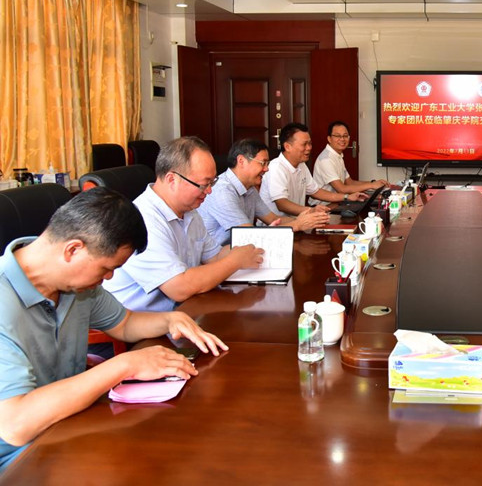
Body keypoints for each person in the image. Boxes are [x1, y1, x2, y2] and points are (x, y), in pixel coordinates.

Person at [0, 188, 227, 470]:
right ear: (73, 249)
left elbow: (125, 323)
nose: (108, 278)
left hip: (69, 424)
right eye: (106, 268)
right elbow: (15, 425)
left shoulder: (75, 286)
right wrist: (124, 365)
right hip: (20, 459)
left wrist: (171, 320)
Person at [104, 137, 265, 312]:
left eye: (212, 183)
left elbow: (215, 256)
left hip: (186, 311)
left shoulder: (189, 211)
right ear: (172, 179)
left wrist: (255, 248)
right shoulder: (143, 219)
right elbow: (179, 287)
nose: (209, 191)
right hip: (145, 321)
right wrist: (235, 261)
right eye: (204, 184)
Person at [198, 138, 329, 246]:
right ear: (241, 161)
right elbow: (248, 235)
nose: (266, 169)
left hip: (241, 253)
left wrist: (308, 219)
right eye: (263, 163)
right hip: (218, 259)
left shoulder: (250, 188)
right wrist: (297, 224)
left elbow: (273, 219)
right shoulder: (222, 191)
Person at [260, 123, 367, 217]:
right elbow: (282, 204)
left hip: (297, 222)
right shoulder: (276, 168)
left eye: (310, 143)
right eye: (304, 144)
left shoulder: (301, 165)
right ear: (287, 146)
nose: (309, 148)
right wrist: (311, 211)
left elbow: (316, 191)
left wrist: (347, 197)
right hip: (276, 228)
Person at [312, 121, 387, 204]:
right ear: (329, 138)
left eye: (345, 136)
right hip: (322, 206)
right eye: (337, 136)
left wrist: (373, 183)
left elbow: (350, 183)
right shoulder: (326, 159)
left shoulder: (337, 155)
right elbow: (341, 189)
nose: (342, 139)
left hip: (337, 202)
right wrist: (371, 185)